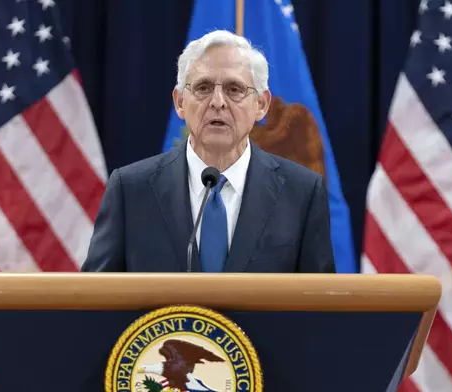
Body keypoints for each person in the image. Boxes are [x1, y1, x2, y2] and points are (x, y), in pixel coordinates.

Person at [81, 30, 335, 273]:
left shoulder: (301, 193)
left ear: (261, 104)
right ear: (180, 102)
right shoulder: (130, 190)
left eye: (234, 89)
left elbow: (319, 306)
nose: (217, 102)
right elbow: (95, 301)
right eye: (203, 88)